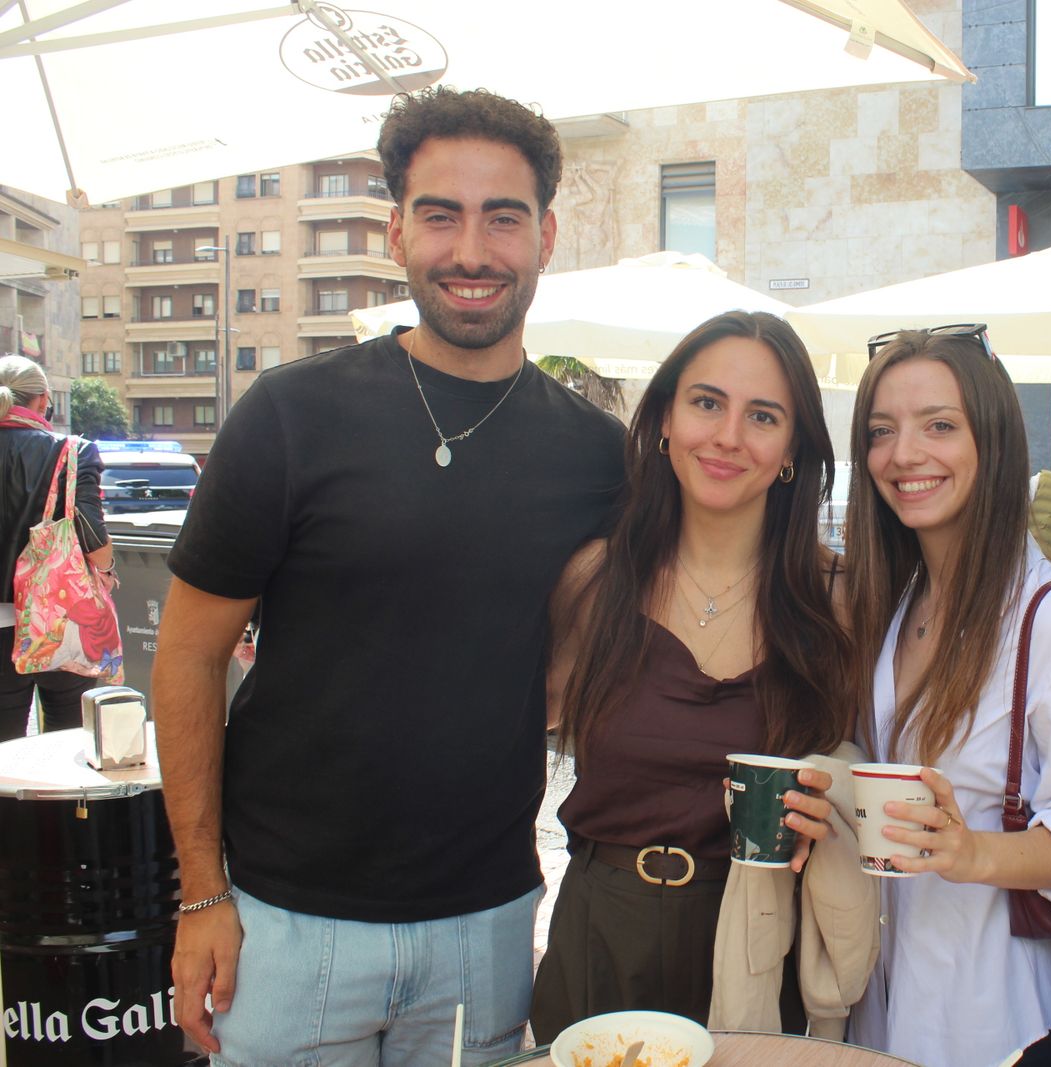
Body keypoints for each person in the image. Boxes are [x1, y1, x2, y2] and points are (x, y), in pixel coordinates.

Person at [151, 87, 625, 1066]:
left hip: (488, 922)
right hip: (284, 921)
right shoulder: (289, 417)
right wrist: (202, 890)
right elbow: (189, 660)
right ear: (395, 228)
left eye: (502, 216)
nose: (471, 249)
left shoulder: (596, 456)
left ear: (544, 234)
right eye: (441, 213)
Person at [531, 311, 852, 1037]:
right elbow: (513, 734)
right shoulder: (596, 579)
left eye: (762, 415)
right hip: (601, 934)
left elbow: (867, 764)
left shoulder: (838, 599)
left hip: (757, 938)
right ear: (667, 419)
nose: (729, 435)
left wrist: (837, 800)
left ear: (792, 449)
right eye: (707, 402)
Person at [844, 325, 1051, 1067]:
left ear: (991, 440)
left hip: (994, 1018)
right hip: (880, 1002)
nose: (904, 454)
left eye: (939, 425)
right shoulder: (898, 601)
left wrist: (971, 852)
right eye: (881, 430)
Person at [0, 355, 115, 739]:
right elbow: (90, 533)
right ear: (43, 399)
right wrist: (107, 569)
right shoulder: (71, 451)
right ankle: (60, 805)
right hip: (59, 621)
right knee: (66, 746)